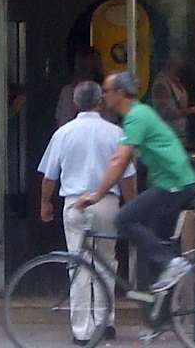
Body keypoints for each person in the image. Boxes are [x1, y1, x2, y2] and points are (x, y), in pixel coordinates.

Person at [77, 71, 195, 292]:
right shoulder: (139, 114)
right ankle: (159, 309)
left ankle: (171, 264)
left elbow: (119, 161)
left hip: (173, 184)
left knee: (124, 219)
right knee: (157, 248)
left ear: (120, 93)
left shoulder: (137, 116)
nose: (103, 96)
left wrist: (97, 195)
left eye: (106, 91)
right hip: (173, 182)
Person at [38, 81, 137, 346]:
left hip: (75, 203)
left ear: (74, 103)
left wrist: (45, 203)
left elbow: (49, 176)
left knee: (78, 264)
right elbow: (127, 176)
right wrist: (131, 205)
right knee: (106, 262)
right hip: (107, 202)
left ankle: (82, 330)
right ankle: (106, 322)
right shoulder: (116, 133)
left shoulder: (63, 133)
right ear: (100, 102)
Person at [151, 50, 195, 147]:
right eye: (179, 60)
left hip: (182, 134)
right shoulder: (161, 84)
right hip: (170, 135)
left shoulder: (176, 80)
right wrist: (194, 110)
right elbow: (167, 113)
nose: (182, 64)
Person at [55, 46, 105, 128]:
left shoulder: (107, 92)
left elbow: (60, 121)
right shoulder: (67, 92)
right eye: (83, 65)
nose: (86, 69)